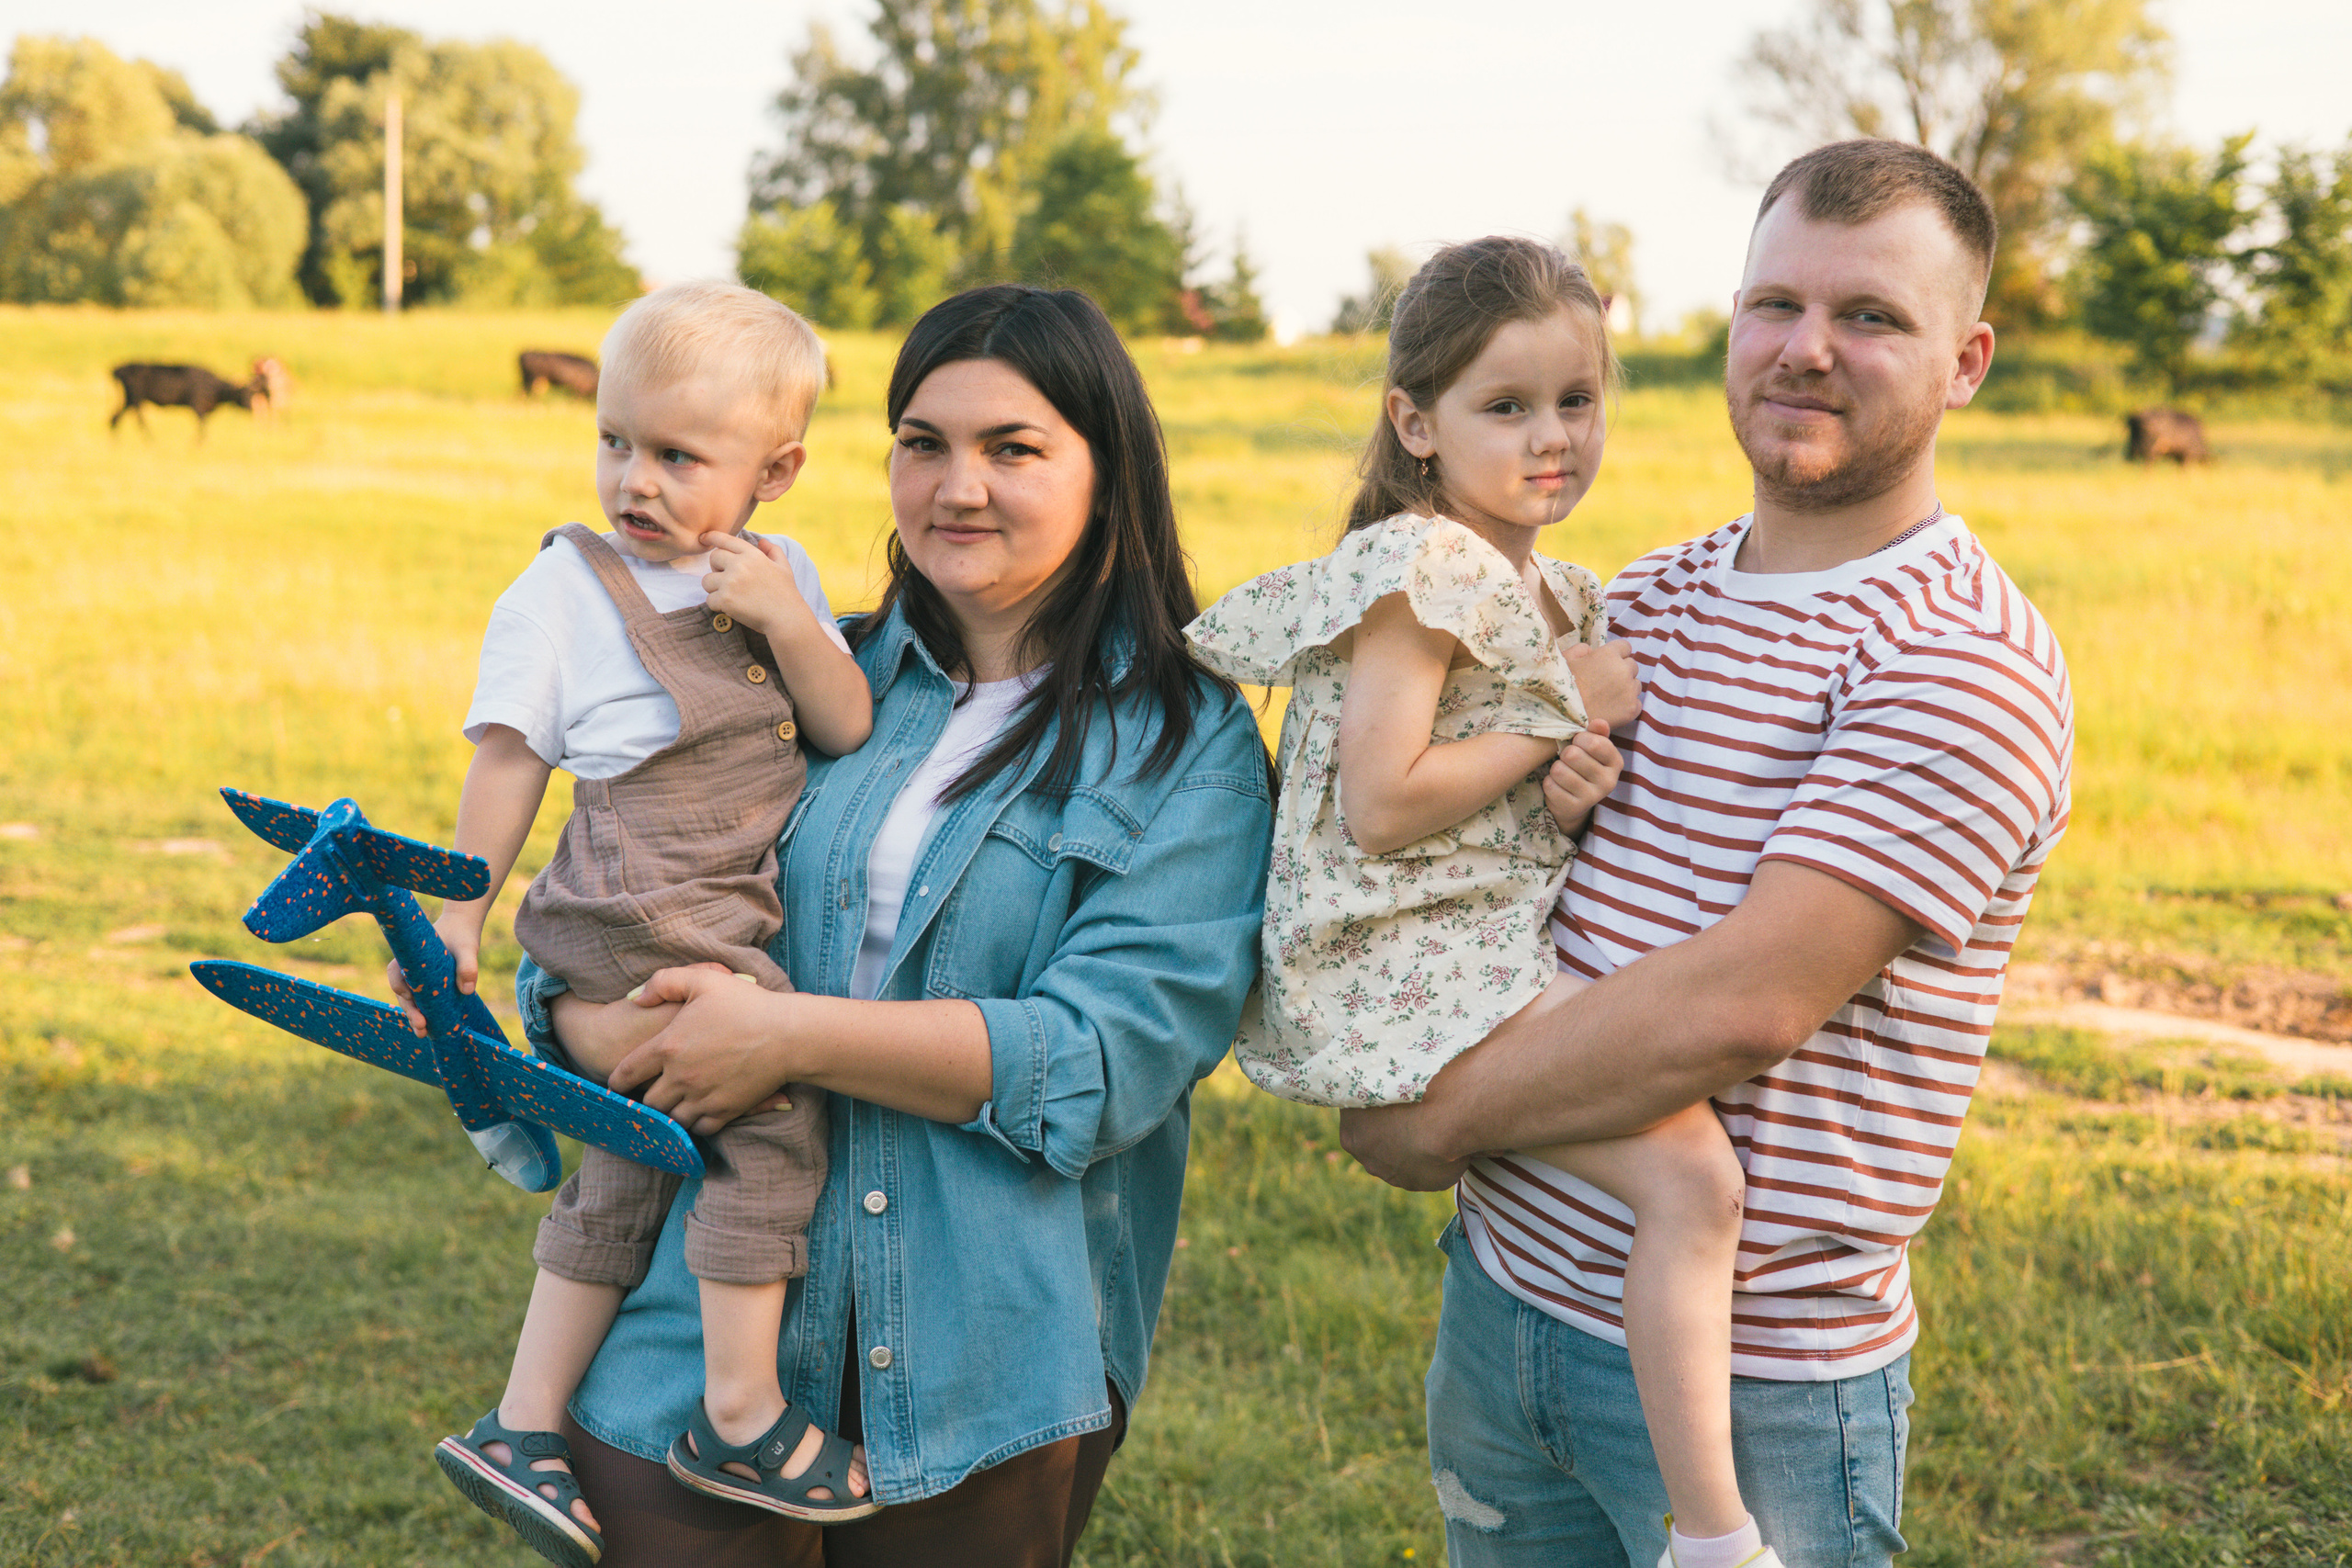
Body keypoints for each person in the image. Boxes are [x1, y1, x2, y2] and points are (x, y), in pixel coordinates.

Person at [1341, 140, 2075, 1568]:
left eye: (1872, 317)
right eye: (1774, 306)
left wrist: (1430, 1117)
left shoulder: (1958, 661)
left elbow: (1742, 1004)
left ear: (1967, 360)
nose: (1806, 351)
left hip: (1758, 1385)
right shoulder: (1649, 597)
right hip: (1504, 1310)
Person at [504, 283, 1273, 1567]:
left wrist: (782, 1038)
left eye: (1012, 448)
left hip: (984, 1354)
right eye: (924, 443)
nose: (956, 486)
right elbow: (617, 904)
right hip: (693, 1328)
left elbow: (1101, 1061)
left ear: (1108, 470)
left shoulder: (1185, 746)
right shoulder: (798, 671)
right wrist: (583, 1015)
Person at [1188, 237, 1780, 1566]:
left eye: (1577, 400)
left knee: (1688, 1175)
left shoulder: (1553, 587)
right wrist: (1564, 705)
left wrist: (1560, 786)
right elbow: (1383, 802)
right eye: (1505, 407)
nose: (1551, 437)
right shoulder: (1429, 569)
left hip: (1465, 940)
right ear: (1416, 421)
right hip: (1395, 961)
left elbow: (1487, 794)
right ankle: (1716, 1538)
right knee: (1696, 1180)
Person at [403, 281, 882, 1566]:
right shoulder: (568, 588)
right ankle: (739, 1411)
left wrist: (791, 621)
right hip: (632, 918)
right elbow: (508, 760)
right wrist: (461, 914)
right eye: (615, 441)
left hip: (716, 923)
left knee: (635, 1150)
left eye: (678, 456)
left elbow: (843, 727)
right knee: (765, 1114)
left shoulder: (784, 578)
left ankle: (521, 1421)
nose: (636, 479)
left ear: (775, 470)